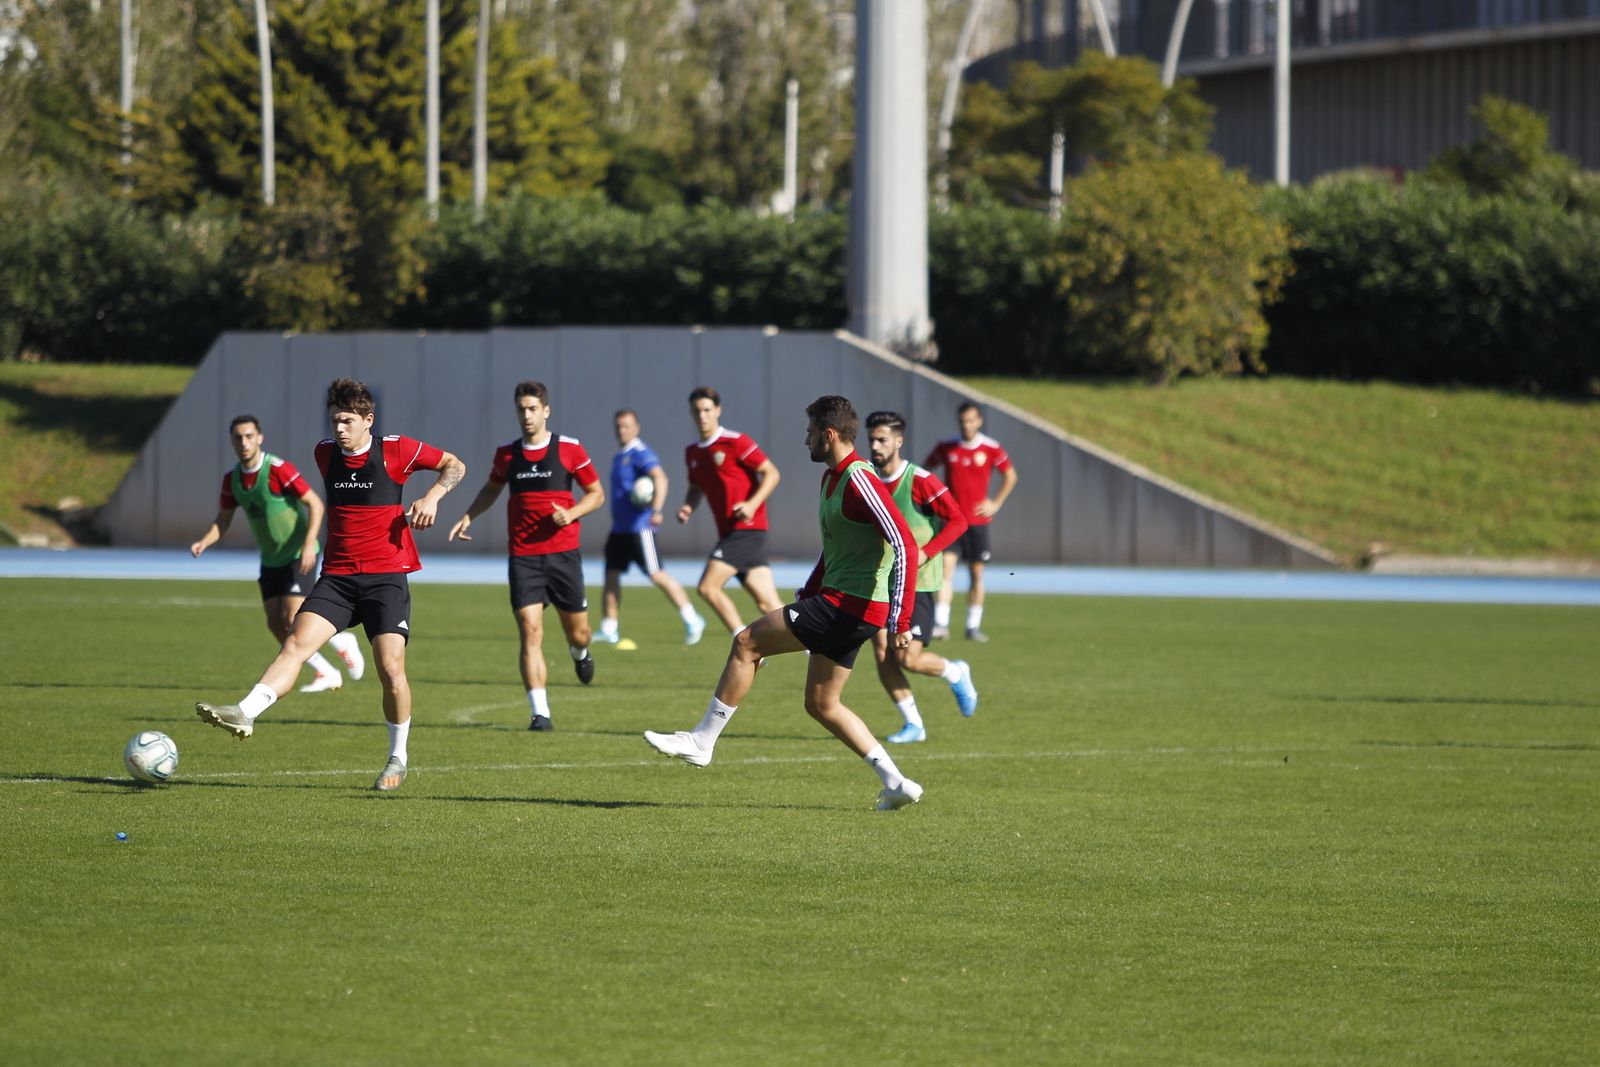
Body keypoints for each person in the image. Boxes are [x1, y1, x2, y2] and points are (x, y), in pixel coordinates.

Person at [645, 395, 925, 811]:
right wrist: (810, 589)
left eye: (810, 431)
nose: (805, 439)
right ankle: (896, 782)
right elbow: (835, 549)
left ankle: (703, 740)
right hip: (846, 604)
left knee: (746, 643)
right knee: (821, 703)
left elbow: (904, 543)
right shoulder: (831, 478)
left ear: (829, 435)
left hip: (850, 605)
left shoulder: (859, 478)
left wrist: (901, 620)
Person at [195, 378, 466, 792]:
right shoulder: (325, 454)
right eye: (334, 421)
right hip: (338, 577)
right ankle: (245, 711)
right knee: (294, 644)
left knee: (391, 668)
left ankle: (398, 756)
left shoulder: (396, 448)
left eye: (346, 421)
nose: (338, 429)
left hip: (385, 577)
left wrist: (432, 498)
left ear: (368, 421)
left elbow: (455, 464)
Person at [447, 381, 602, 732]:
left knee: (579, 633)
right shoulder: (506, 454)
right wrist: (469, 515)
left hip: (563, 555)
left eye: (533, 408)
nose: (527, 415)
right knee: (530, 630)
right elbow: (491, 488)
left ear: (546, 410)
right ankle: (540, 713)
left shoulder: (570, 449)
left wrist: (573, 513)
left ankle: (579, 653)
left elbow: (596, 494)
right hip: (524, 557)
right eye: (522, 409)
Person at [190, 415, 365, 693]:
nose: (244, 442)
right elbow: (223, 521)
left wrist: (309, 543)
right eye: (238, 437)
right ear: (232, 442)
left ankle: (341, 640)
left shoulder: (277, 469)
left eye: (249, 436)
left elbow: (316, 504)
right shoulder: (232, 479)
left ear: (259, 438)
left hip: (298, 552)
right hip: (271, 559)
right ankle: (326, 671)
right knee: (276, 625)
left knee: (295, 617)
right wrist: (204, 541)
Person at [863, 411, 979, 743]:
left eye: (882, 439)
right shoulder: (866, 478)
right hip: (880, 583)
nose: (875, 445)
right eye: (871, 438)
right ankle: (913, 724)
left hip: (918, 585)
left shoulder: (919, 480)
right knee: (883, 653)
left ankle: (956, 672)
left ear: (899, 441)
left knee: (908, 658)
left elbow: (958, 520)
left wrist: (927, 552)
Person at [595, 409, 706, 647]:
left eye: (626, 426)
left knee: (657, 574)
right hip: (619, 530)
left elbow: (660, 478)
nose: (621, 430)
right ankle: (609, 628)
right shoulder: (619, 456)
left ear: (636, 428)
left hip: (639, 528)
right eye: (618, 426)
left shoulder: (640, 453)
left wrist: (656, 509)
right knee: (611, 577)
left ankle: (692, 619)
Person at [677, 386, 783, 633]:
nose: (702, 416)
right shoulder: (692, 452)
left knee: (707, 587)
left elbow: (772, 473)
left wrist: (752, 504)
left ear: (718, 411)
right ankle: (814, 644)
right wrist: (688, 507)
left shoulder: (735, 442)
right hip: (729, 533)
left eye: (707, 410)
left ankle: (742, 640)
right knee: (768, 603)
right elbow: (696, 487)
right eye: (697, 411)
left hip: (746, 529)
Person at [923, 401, 1018, 642]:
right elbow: (925, 471)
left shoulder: (990, 448)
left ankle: (972, 626)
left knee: (976, 574)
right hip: (951, 521)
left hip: (977, 522)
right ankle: (941, 624)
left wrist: (995, 503)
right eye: (963, 421)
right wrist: (935, 502)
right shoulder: (947, 446)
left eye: (971, 421)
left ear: (979, 421)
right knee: (946, 572)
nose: (966, 425)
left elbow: (1010, 475)